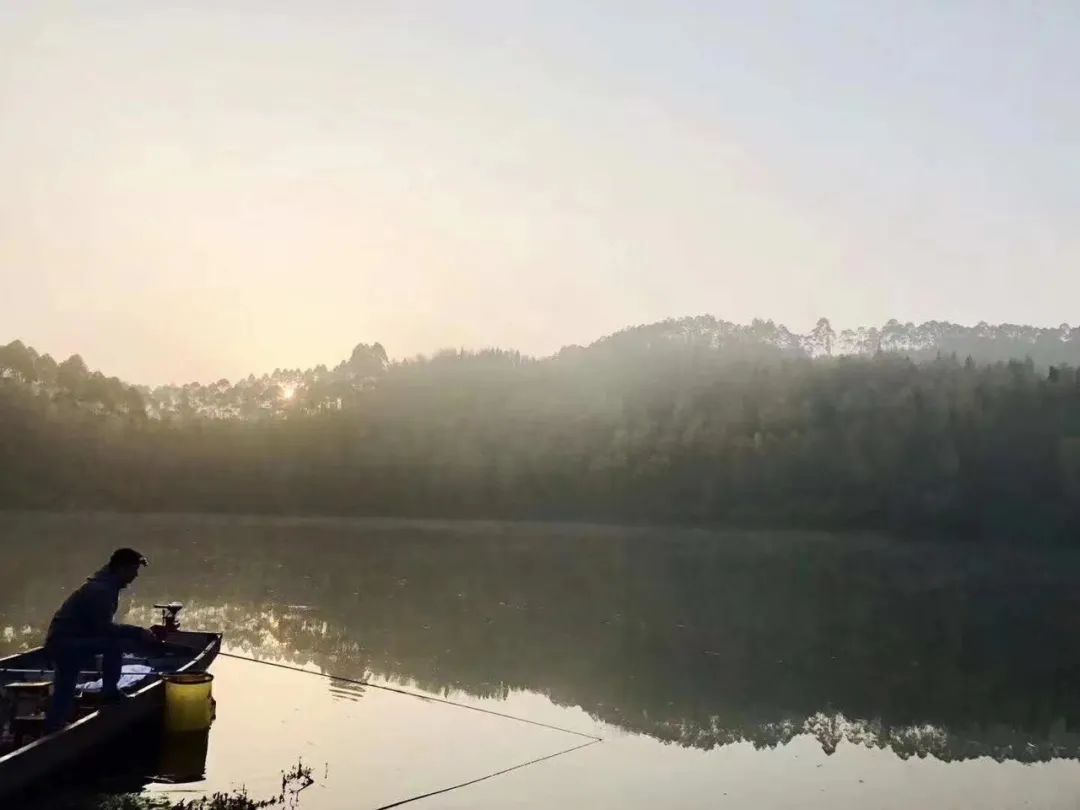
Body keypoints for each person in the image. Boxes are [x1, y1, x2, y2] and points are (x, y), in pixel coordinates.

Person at [44, 547, 160, 731]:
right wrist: (138, 632)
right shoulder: (102, 590)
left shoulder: (106, 585)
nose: (136, 575)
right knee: (114, 645)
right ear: (121, 568)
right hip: (66, 643)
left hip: (69, 640)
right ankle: (108, 694)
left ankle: (55, 724)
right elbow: (104, 629)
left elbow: (98, 627)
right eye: (133, 570)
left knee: (64, 688)